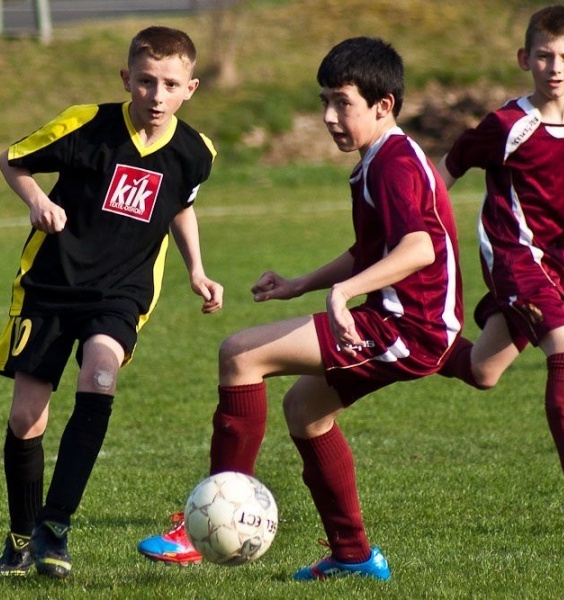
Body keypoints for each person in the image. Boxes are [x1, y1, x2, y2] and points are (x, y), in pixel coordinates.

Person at [138, 36, 466, 582]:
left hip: (407, 327)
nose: (330, 117)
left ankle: (204, 525)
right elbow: (370, 250)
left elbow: (419, 249)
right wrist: (301, 286)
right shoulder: (381, 159)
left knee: (240, 354)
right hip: (408, 323)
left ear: (383, 105)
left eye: (343, 103)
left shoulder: (394, 164)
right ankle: (354, 557)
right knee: (306, 412)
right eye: (324, 102)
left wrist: (343, 294)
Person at [0, 26, 224, 579]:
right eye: (146, 81)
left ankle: (55, 528)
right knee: (26, 417)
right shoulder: (85, 124)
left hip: (122, 291)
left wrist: (196, 268)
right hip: (51, 285)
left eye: (170, 85)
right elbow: (12, 159)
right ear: (126, 79)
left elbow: (180, 206)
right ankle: (20, 538)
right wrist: (36, 200)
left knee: (99, 376)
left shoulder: (196, 152)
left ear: (190, 88)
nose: (157, 96)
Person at [436, 5, 564, 524]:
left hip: (557, 264)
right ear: (524, 59)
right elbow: (449, 168)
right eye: (545, 56)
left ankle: (415, 336)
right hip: (513, 256)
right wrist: (418, 223)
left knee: (483, 371)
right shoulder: (507, 125)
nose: (555, 68)